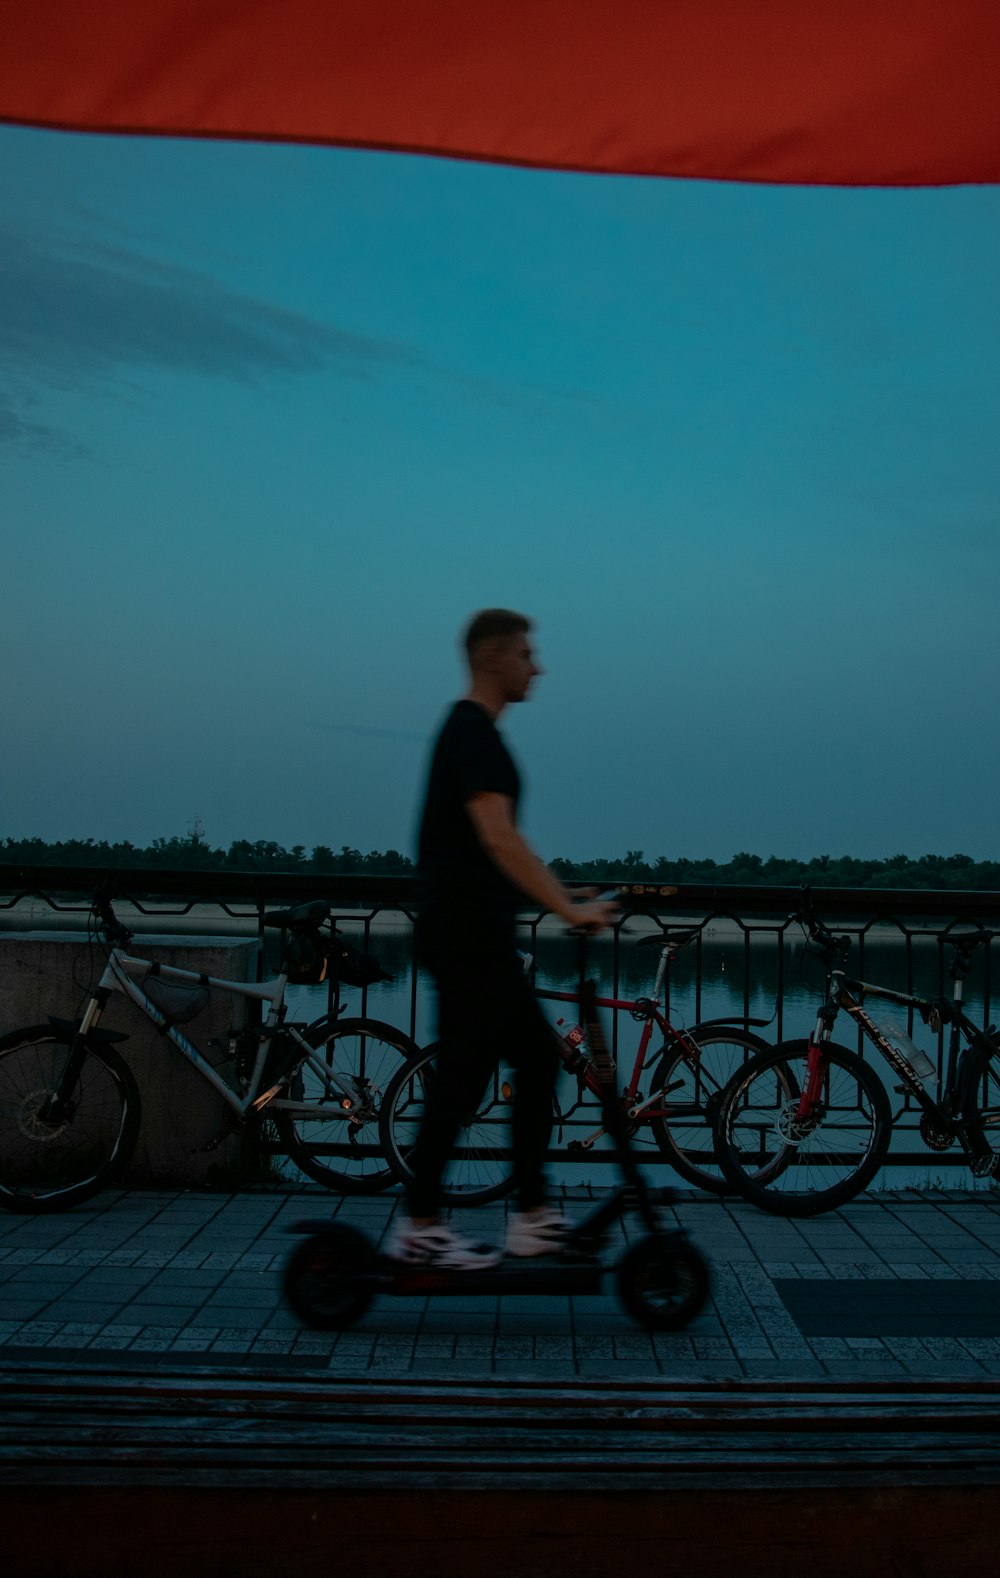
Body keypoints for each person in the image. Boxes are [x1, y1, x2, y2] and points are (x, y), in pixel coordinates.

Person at [388, 609, 617, 1269]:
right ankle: (424, 1229)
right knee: (463, 1079)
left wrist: (562, 896)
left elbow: (491, 852)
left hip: (473, 932)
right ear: (493, 657)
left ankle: (532, 1217)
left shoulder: (473, 735)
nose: (536, 665)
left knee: (534, 1063)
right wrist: (569, 915)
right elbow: (498, 838)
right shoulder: (471, 733)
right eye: (526, 652)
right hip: (467, 936)